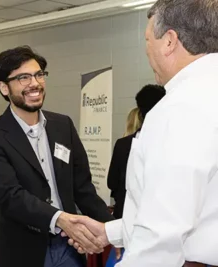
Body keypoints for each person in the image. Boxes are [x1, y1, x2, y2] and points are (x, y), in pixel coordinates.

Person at [68, 1, 218, 266]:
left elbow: (161, 237)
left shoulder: (180, 108)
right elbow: (202, 210)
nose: (146, 50)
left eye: (148, 39)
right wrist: (109, 232)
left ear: (169, 41)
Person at [0, 45, 113, 267]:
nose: (35, 83)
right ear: (4, 87)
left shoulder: (63, 126)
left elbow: (83, 188)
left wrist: (114, 230)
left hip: (69, 248)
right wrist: (60, 219)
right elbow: (10, 197)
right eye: (23, 78)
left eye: (39, 75)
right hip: (23, 251)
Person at [107, 85, 165, 219]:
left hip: (125, 215)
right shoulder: (170, 143)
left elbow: (112, 181)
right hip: (152, 219)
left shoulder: (123, 144)